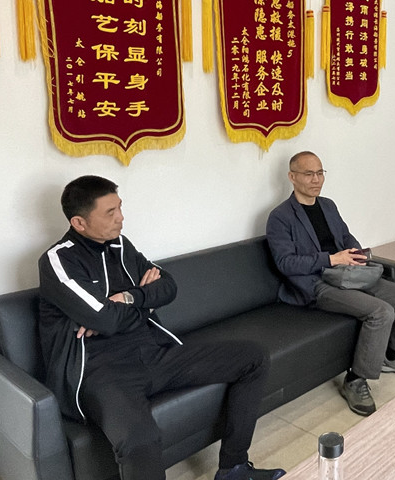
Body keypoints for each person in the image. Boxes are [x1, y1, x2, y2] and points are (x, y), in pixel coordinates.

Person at [38, 175, 285, 480]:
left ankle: (234, 469)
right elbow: (107, 320)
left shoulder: (120, 246)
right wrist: (140, 305)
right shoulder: (58, 260)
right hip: (103, 371)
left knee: (253, 357)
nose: (121, 217)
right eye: (110, 212)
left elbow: (168, 286)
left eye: (120, 207)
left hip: (155, 354)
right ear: (79, 223)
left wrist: (129, 298)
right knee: (140, 440)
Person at [266, 151, 395, 416]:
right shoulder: (280, 217)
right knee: (381, 312)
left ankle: (394, 356)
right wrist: (330, 259)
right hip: (316, 284)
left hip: (348, 273)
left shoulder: (328, 205)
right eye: (309, 174)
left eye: (320, 173)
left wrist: (356, 254)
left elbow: (345, 236)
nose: (316, 179)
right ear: (292, 177)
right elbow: (286, 263)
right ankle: (355, 379)